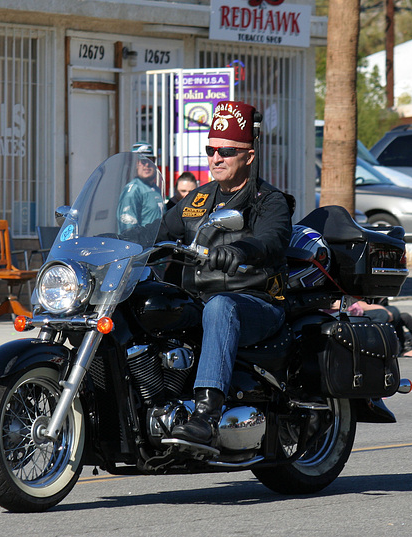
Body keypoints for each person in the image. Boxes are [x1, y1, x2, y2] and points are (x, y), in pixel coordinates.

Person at [156, 100, 293, 448]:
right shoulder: (195, 201)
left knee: (221, 306)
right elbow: (155, 234)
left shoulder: (268, 200)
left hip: (255, 303)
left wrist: (239, 251)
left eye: (227, 151)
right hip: (198, 301)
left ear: (248, 156)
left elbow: (271, 240)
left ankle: (205, 416)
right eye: (211, 149)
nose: (216, 157)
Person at [117, 143, 165, 234]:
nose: (147, 165)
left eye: (150, 160)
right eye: (143, 161)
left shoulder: (156, 189)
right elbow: (128, 228)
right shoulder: (133, 190)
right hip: (143, 245)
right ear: (135, 164)